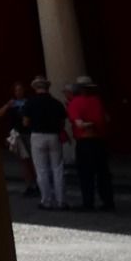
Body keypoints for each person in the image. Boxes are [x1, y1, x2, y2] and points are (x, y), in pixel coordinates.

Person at [21, 76, 70, 210]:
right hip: (54, 136)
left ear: (35, 88)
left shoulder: (30, 103)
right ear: (47, 88)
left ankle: (46, 200)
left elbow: (25, 122)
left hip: (37, 135)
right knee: (58, 168)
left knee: (41, 169)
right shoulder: (56, 103)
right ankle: (61, 201)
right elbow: (62, 122)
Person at [66, 77, 114, 210]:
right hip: (99, 141)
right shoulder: (97, 101)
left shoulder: (75, 103)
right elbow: (106, 118)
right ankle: (108, 201)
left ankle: (88, 202)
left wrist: (87, 124)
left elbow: (78, 124)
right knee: (103, 173)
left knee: (86, 174)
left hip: (85, 141)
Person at [0, 80, 38, 197]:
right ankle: (30, 184)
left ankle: (38, 184)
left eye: (20, 89)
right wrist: (7, 106)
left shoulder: (29, 102)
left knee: (33, 160)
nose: (18, 92)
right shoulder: (12, 104)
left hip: (29, 133)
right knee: (24, 161)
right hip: (18, 135)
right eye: (16, 90)